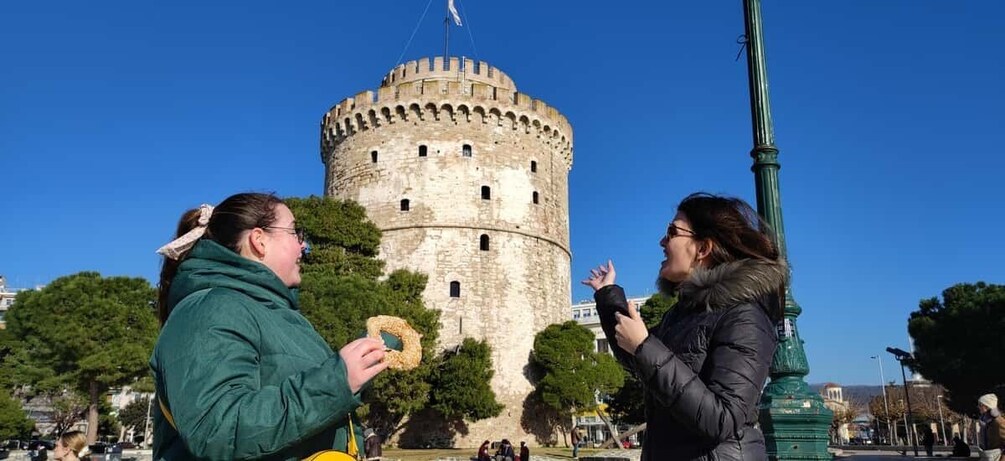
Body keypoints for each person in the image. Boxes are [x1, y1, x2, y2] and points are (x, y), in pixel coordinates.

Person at [150, 193, 389, 460]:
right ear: (259, 240)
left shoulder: (282, 318)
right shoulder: (208, 309)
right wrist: (337, 381)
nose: (304, 246)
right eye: (295, 232)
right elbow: (217, 430)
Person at [583, 192, 785, 461]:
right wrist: (609, 298)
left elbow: (722, 419)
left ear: (703, 249)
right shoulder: (681, 315)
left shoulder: (745, 317)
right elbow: (637, 358)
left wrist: (645, 346)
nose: (662, 241)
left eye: (672, 232)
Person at [977, 393, 1005, 461]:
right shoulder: (985, 422)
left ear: (987, 406)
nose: (978, 407)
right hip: (987, 457)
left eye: (981, 405)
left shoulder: (999, 422)